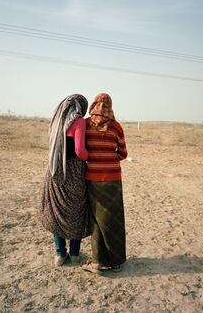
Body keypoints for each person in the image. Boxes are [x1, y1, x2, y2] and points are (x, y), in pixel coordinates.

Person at [38, 94, 91, 266]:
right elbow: (80, 151)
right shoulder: (79, 121)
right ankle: (74, 254)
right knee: (76, 211)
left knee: (57, 212)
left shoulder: (56, 120)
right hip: (74, 171)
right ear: (80, 107)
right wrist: (92, 156)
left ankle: (60, 254)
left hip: (55, 170)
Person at [81, 93, 128, 274]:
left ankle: (98, 262)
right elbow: (123, 153)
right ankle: (116, 263)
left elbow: (80, 149)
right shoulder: (116, 126)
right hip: (113, 179)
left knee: (97, 220)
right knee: (114, 219)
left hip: (92, 178)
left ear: (94, 104)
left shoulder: (85, 125)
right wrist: (109, 158)